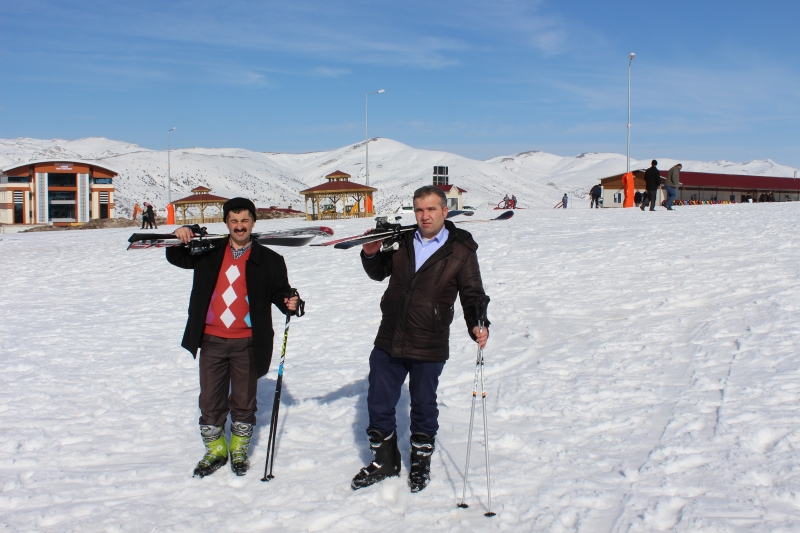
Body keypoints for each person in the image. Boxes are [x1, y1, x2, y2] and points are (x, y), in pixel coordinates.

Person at [352, 185, 489, 493]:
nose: (425, 216)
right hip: (390, 336)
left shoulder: (461, 248)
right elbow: (379, 272)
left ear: (444, 211)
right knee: (378, 402)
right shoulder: (401, 241)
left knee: (424, 405)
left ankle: (420, 462)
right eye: (419, 210)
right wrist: (371, 253)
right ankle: (384, 461)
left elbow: (472, 292)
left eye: (431, 209)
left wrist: (477, 322)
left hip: (430, 338)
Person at [166, 197, 300, 478]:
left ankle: (239, 448)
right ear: (226, 223)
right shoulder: (208, 251)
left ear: (253, 222)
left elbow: (280, 291)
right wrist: (181, 235)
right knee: (210, 400)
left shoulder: (270, 259)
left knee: (243, 400)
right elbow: (176, 256)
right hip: (211, 339)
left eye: (245, 221)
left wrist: (290, 300)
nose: (239, 226)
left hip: (248, 342)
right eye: (234, 221)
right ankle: (215, 449)